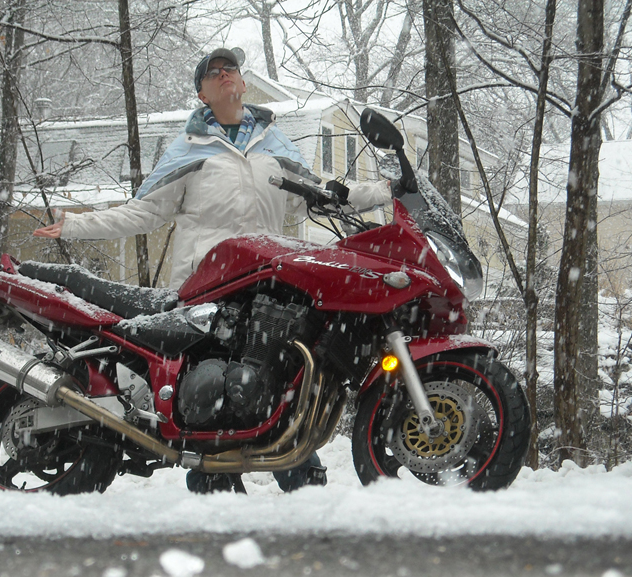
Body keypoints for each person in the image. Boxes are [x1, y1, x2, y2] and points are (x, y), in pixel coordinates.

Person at [34, 47, 391, 493]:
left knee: (278, 379)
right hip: (206, 288)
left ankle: (301, 478)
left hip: (267, 285)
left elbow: (323, 194)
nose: (225, 76)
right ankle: (216, 483)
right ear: (201, 93)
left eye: (232, 70)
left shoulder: (274, 146)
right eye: (214, 73)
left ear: (242, 84)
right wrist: (75, 224)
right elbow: (142, 213)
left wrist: (385, 191)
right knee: (213, 390)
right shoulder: (188, 149)